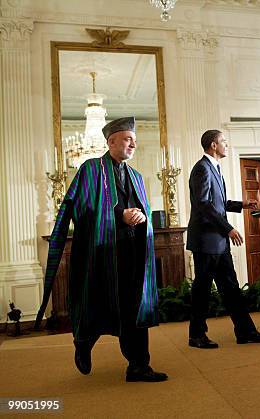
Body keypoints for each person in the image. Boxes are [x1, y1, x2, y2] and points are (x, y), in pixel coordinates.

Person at [35, 117, 167, 382]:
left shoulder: (137, 176)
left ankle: (138, 365)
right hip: (102, 255)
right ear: (111, 141)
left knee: (134, 308)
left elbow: (143, 210)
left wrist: (140, 216)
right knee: (96, 303)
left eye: (135, 141)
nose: (133, 145)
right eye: (128, 139)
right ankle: (83, 341)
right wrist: (121, 215)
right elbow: (81, 208)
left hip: (132, 253)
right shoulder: (91, 169)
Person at [187, 130, 260, 349]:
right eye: (224, 141)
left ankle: (245, 332)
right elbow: (204, 205)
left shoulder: (214, 168)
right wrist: (228, 229)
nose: (227, 144)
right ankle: (196, 336)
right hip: (206, 241)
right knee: (202, 290)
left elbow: (218, 203)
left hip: (218, 242)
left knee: (231, 288)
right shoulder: (201, 169)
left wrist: (240, 205)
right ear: (214, 145)